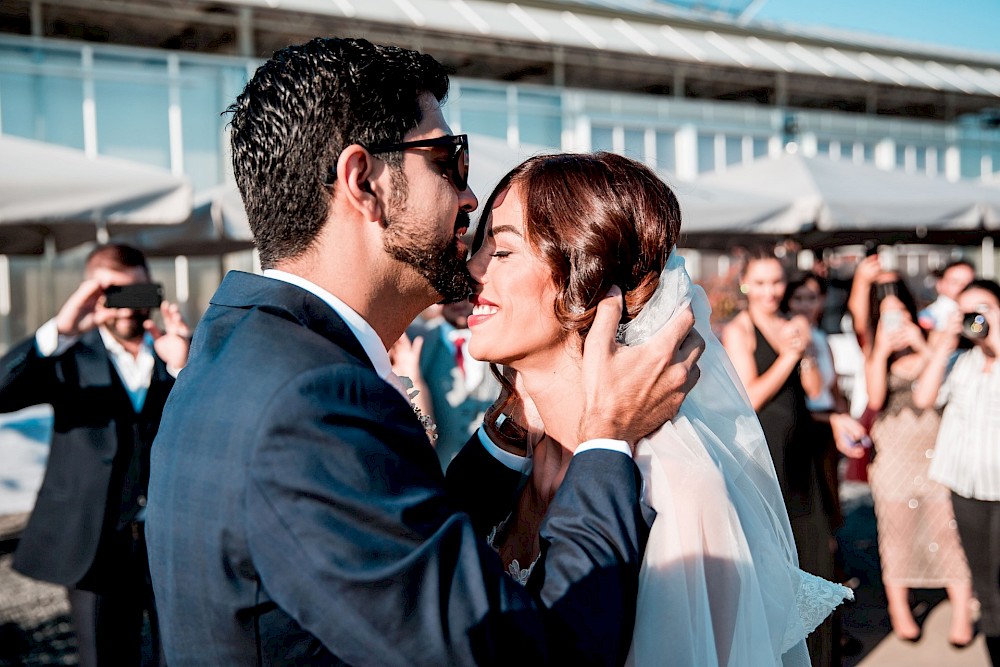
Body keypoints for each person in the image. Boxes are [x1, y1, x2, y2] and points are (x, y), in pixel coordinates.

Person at [145, 37, 702, 666]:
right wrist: (606, 438)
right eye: (447, 161)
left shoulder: (241, 346)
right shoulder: (311, 401)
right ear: (363, 182)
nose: (468, 198)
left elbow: (399, 560)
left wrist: (511, 429)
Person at [448, 152, 852, 666]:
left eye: (501, 251)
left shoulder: (677, 486)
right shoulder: (512, 458)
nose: (471, 267)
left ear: (591, 285)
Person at [0, 244, 191, 666]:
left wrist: (185, 367)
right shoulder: (67, 355)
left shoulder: (179, 352)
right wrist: (61, 330)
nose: (130, 309)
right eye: (117, 295)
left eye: (140, 294)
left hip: (170, 541)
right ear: (95, 295)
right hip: (95, 543)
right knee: (103, 659)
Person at [722, 250, 865, 666]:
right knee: (775, 563)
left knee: (817, 557)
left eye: (776, 283)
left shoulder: (794, 324)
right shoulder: (740, 329)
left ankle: (820, 656)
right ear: (746, 284)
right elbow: (749, 397)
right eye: (761, 283)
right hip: (765, 458)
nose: (769, 291)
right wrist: (787, 355)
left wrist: (810, 353)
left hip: (802, 452)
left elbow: (811, 390)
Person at [863, 272, 973, 645]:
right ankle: (900, 609)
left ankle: (961, 610)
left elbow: (946, 380)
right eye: (887, 316)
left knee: (948, 529)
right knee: (896, 529)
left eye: (902, 314)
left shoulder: (933, 341)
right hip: (894, 452)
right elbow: (875, 399)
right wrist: (880, 349)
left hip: (937, 446)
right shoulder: (876, 353)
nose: (897, 323)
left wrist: (922, 345)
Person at [914, 279, 1000, 665]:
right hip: (965, 486)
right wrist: (944, 344)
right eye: (966, 310)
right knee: (984, 580)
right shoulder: (959, 361)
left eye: (984, 308)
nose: (975, 318)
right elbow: (923, 398)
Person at [403, 299, 500, 470]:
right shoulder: (416, 341)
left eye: (466, 292)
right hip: (439, 474)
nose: (458, 301)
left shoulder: (500, 340)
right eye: (449, 295)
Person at [917, 259, 975, 332]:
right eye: (955, 282)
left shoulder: (978, 311)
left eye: (968, 283)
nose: (963, 287)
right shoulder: (927, 316)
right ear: (939, 285)